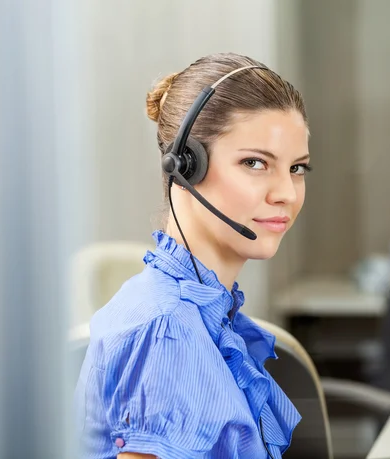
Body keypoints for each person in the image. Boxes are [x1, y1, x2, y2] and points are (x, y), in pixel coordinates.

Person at [74, 53, 312, 459]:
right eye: (255, 163)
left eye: (298, 168)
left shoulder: (208, 313)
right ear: (186, 167)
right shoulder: (167, 332)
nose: (287, 193)